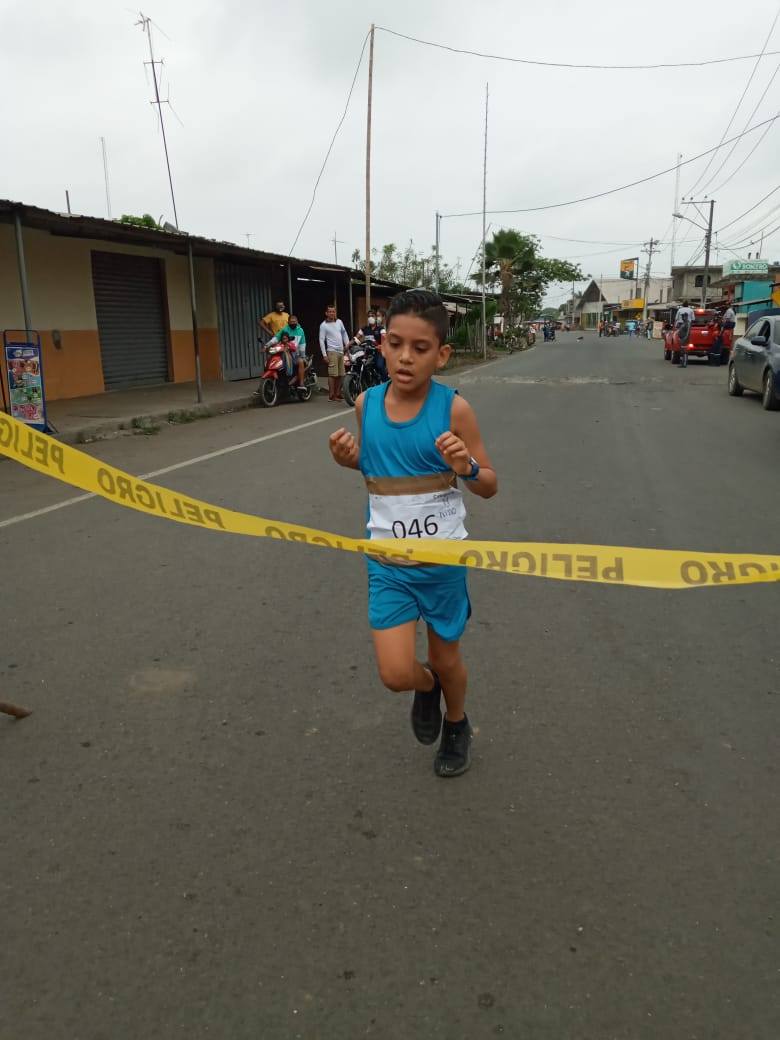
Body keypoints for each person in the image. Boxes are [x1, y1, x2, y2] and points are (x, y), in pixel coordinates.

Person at [328, 289, 498, 778]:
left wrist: (466, 467)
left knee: (446, 658)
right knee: (395, 672)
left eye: (420, 348)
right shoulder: (366, 404)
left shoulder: (454, 410)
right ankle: (427, 690)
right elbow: (377, 469)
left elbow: (488, 484)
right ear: (382, 344)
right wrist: (350, 460)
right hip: (388, 565)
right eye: (395, 343)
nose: (405, 357)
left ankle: (456, 722)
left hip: (442, 565)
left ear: (441, 355)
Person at [319, 304, 350, 401]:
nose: (332, 313)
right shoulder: (323, 325)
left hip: (341, 351)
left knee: (341, 374)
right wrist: (324, 355)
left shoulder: (339, 322)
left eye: (333, 311)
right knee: (333, 374)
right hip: (331, 351)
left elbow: (344, 333)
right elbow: (321, 340)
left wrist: (347, 345)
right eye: (330, 311)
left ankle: (338, 393)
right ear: (326, 313)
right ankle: (332, 395)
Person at [675, 299, 696, 368]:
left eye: (683, 316)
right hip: (686, 327)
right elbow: (693, 319)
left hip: (682, 328)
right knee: (683, 348)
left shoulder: (680, 310)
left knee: (683, 348)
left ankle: (683, 363)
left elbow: (676, 319)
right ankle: (683, 362)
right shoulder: (691, 310)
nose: (683, 317)